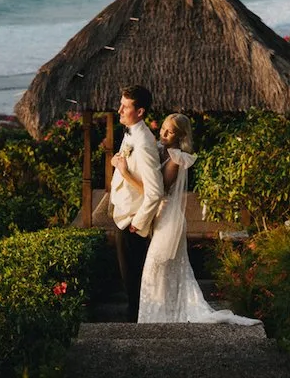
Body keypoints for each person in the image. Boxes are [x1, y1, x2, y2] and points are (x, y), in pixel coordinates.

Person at [115, 113, 262, 326]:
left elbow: (156, 192)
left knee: (155, 269)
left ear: (180, 135)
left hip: (168, 219)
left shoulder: (175, 160)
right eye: (163, 128)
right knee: (163, 270)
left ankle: (157, 317)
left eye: (170, 131)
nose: (163, 133)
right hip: (158, 217)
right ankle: (162, 313)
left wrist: (125, 173)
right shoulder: (157, 148)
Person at [108, 85, 164, 321]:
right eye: (120, 103)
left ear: (140, 112)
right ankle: (136, 315)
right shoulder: (131, 132)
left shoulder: (142, 143)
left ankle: (137, 320)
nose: (119, 109)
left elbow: (155, 191)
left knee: (133, 276)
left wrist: (138, 223)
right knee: (128, 274)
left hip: (132, 220)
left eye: (126, 106)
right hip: (124, 214)